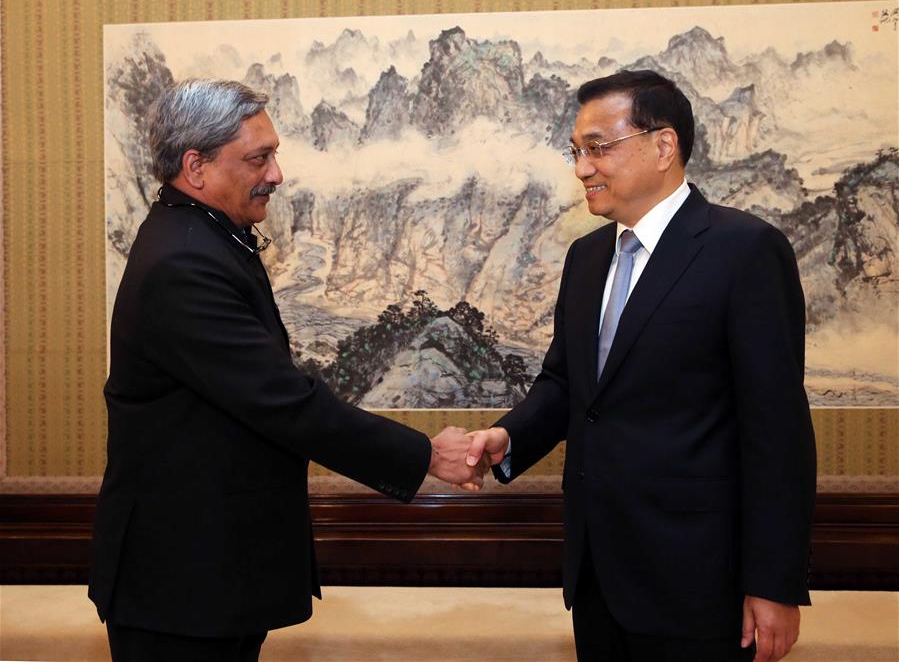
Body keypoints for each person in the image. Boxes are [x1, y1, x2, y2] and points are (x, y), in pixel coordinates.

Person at [89, 78, 485, 661]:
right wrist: (427, 456)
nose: (276, 174)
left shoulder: (206, 237)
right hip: (179, 583)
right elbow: (283, 401)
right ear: (195, 166)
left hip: (208, 575)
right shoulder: (184, 261)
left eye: (273, 154)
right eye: (258, 158)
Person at [466, 70, 817, 662]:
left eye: (598, 148)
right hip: (597, 574)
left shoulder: (745, 250)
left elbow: (777, 431)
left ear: (663, 145)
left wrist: (775, 583)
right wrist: (509, 436)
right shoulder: (586, 257)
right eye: (576, 151)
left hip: (702, 581)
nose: (582, 168)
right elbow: (569, 384)